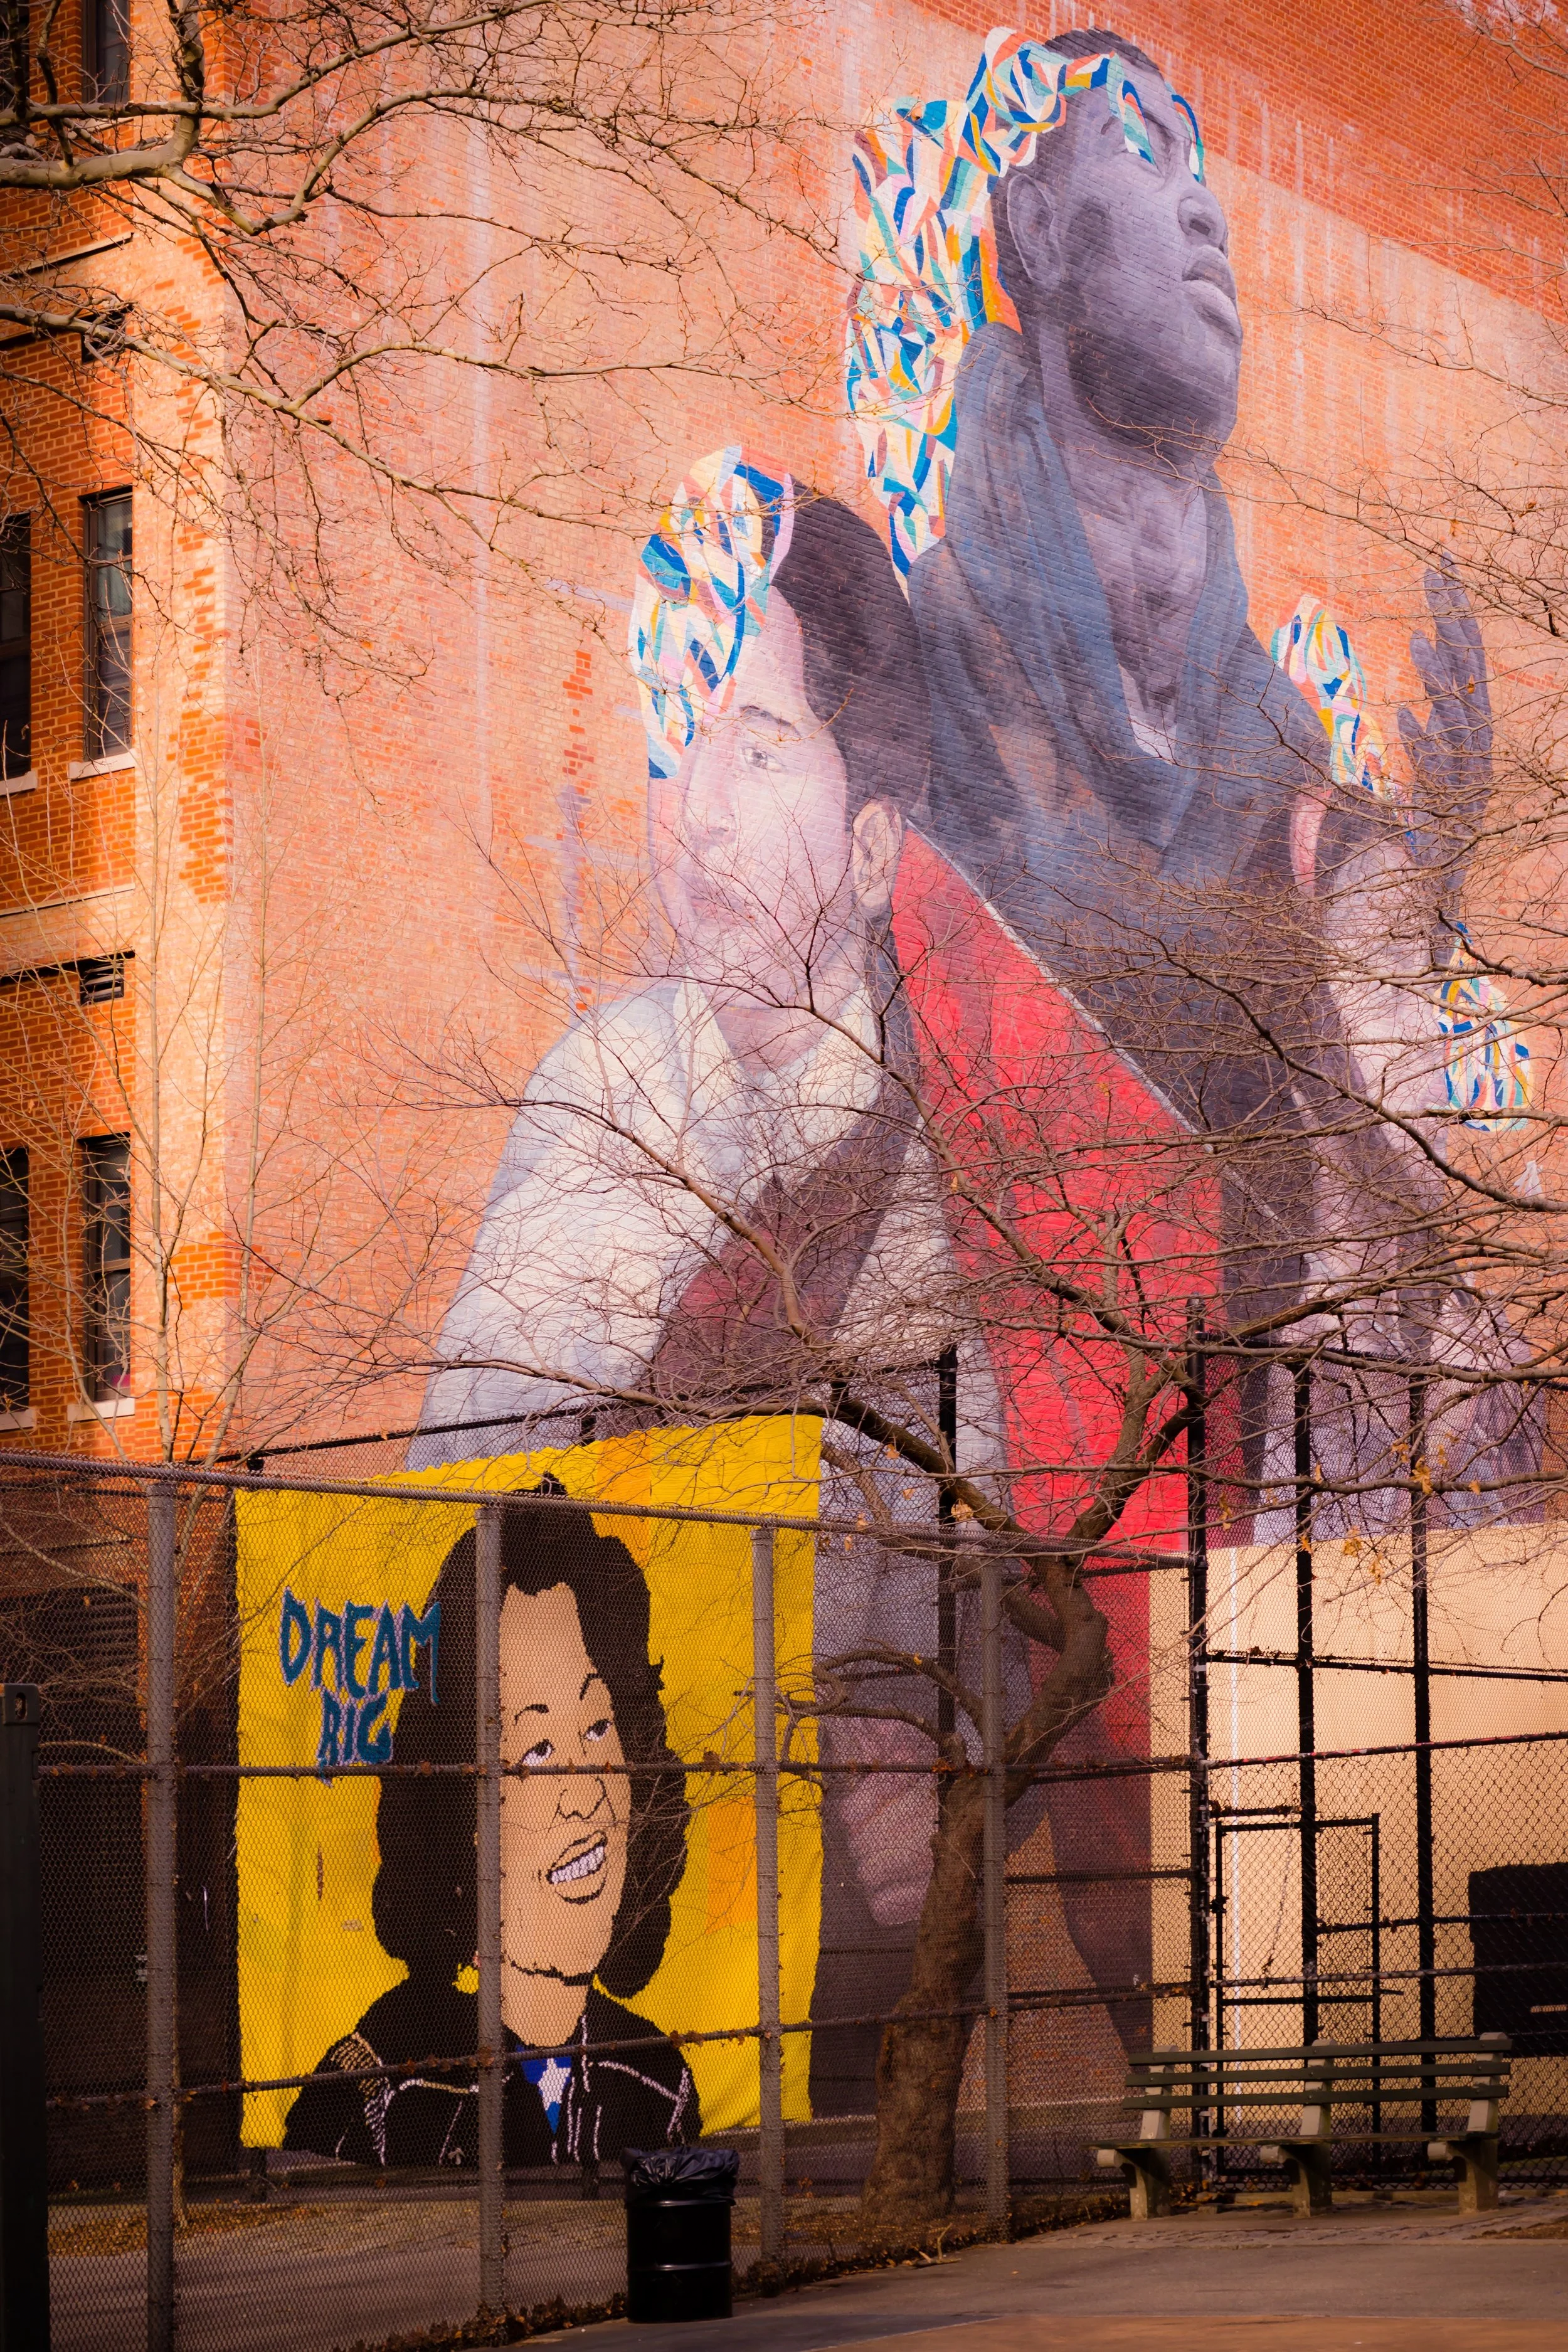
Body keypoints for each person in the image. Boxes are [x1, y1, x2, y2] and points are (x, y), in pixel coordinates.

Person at [849, 24, 1540, 1536]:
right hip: (1003, 1524)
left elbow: (1406, 1192)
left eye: (1208, 169)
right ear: (1036, 226)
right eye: (1149, 154)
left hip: (1258, 1526)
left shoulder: (1285, 758)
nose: (1210, 212)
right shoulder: (914, 689)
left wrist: (1411, 891)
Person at [283, 1488, 697, 2169]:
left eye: (599, 1729)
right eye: (535, 1752)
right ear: (458, 1816)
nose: (585, 1791)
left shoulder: (659, 2082)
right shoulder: (382, 2081)